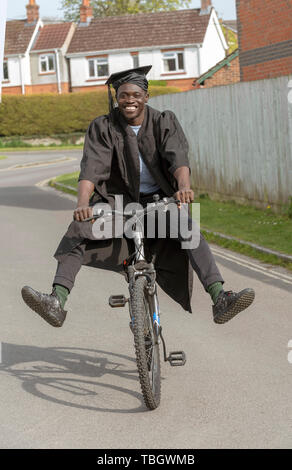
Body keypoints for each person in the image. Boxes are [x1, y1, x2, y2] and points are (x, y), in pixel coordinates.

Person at [21, 65, 255, 328]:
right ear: (117, 97)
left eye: (135, 95)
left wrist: (183, 186)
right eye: (123, 95)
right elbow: (91, 168)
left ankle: (219, 297)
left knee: (187, 226)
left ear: (146, 96)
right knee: (79, 229)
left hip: (159, 201)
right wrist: (83, 204)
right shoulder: (103, 127)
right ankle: (56, 300)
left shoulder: (163, 121)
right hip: (117, 203)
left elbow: (178, 157)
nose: (129, 100)